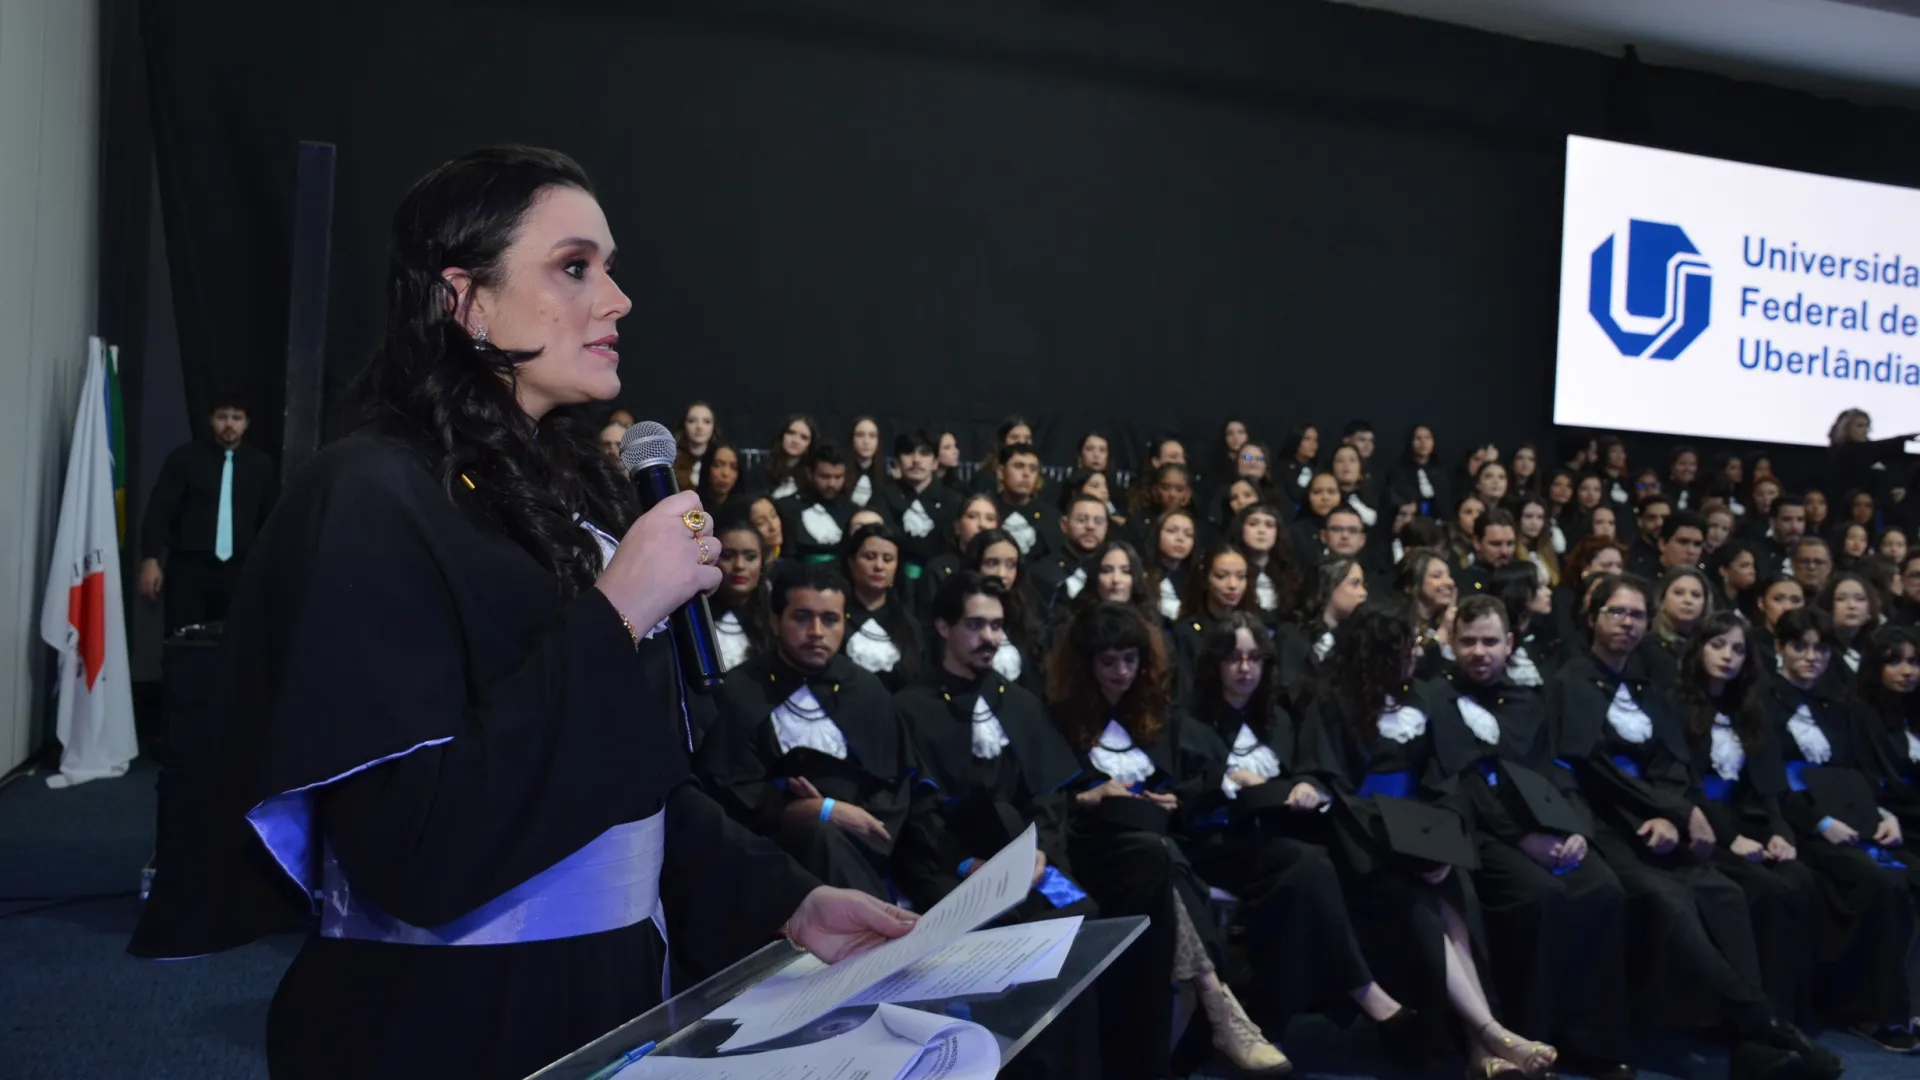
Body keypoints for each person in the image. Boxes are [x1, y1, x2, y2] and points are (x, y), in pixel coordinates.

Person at [127, 147, 912, 1080]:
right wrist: (618, 611)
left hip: (616, 989)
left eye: (609, 269)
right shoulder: (368, 496)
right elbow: (419, 851)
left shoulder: (571, 492)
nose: (617, 299)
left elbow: (627, 795)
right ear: (465, 300)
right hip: (448, 1021)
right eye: (575, 267)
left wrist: (783, 898)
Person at [1546, 574, 1840, 1079]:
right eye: (1617, 612)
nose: (1627, 623)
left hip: (1660, 819)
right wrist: (1674, 813)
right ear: (1593, 617)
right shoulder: (1570, 680)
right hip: (1607, 824)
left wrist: (1673, 812)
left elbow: (1673, 761)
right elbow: (1593, 767)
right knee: (1670, 901)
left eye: (1637, 615)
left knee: (1725, 895)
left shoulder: (1645, 685)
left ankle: (1749, 1046)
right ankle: (1766, 1024)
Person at [1295, 599, 1555, 1075]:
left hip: (1423, 833)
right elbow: (1334, 787)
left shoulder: (1426, 697)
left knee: (1459, 894)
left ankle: (1481, 1047)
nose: (1414, 655)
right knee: (1417, 906)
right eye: (1402, 648)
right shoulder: (1332, 704)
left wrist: (1440, 845)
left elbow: (1445, 780)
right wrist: (1401, 843)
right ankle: (1489, 1036)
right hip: (1366, 843)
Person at [1046, 601, 1288, 1077]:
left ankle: (1210, 1002)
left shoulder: (1156, 714)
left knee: (1161, 859)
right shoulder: (1058, 717)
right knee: (1160, 860)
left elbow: (1189, 783)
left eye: (1130, 660)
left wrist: (1171, 799)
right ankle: (1220, 1003)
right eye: (1109, 661)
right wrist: (1089, 796)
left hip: (1156, 848)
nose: (1122, 672)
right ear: (1086, 663)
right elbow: (1044, 797)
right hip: (1089, 851)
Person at [891, 571, 1102, 1080]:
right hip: (949, 864)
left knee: (1081, 915)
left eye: (997, 625)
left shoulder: (1020, 702)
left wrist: (1041, 852)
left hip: (1026, 860)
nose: (989, 637)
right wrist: (968, 864)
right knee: (1005, 933)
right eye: (975, 625)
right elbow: (919, 813)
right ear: (944, 627)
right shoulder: (910, 708)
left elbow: (1048, 794)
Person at [1180, 612, 1419, 1053]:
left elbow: (1308, 770)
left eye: (1254, 658)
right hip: (1216, 844)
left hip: (1277, 840)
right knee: (1309, 866)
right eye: (1234, 658)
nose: (1245, 668)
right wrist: (1228, 781)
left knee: (1309, 875)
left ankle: (1267, 1019)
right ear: (1215, 664)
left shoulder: (1278, 719)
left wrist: (1307, 787)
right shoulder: (1191, 722)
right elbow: (1183, 794)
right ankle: (1362, 990)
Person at [1426, 597, 1634, 1080]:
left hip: (1544, 826)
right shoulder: (1436, 697)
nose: (1479, 652)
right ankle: (1529, 1037)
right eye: (1468, 641)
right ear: (1452, 643)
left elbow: (1555, 773)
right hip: (1479, 834)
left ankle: (1594, 1042)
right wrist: (1522, 840)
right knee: (1540, 896)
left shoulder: (1528, 702)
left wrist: (1576, 828)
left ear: (1510, 644)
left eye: (1490, 641)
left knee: (1604, 889)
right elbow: (1460, 783)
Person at [697, 561, 925, 901]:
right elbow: (730, 790)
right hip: (768, 850)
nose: (817, 631)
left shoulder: (866, 690)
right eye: (802, 617)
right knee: (820, 835)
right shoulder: (743, 691)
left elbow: (895, 784)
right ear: (776, 621)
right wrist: (813, 810)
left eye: (830, 619)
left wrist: (843, 813)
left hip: (860, 844)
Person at [1756, 608, 1917, 1050]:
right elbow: (1768, 782)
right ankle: (1871, 1012)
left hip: (1848, 820)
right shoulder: (1761, 702)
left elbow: (1859, 773)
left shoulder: (1839, 706)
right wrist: (1820, 822)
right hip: (1794, 823)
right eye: (1801, 647)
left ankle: (1893, 1006)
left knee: (1900, 875)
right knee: (1878, 881)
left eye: (1822, 649)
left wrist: (1883, 815)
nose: (1812, 657)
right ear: (1779, 648)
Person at [138, 391, 280, 631]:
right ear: (210, 420)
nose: (229, 424)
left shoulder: (261, 465)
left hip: (240, 571)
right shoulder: (184, 459)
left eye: (236, 418)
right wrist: (150, 559)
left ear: (246, 423)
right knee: (182, 640)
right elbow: (159, 511)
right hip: (189, 569)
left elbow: (270, 521)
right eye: (222, 417)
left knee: (235, 641)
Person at [775, 442, 855, 563]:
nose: (832, 484)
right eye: (825, 477)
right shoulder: (786, 508)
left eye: (838, 477)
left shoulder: (852, 511)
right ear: (809, 474)